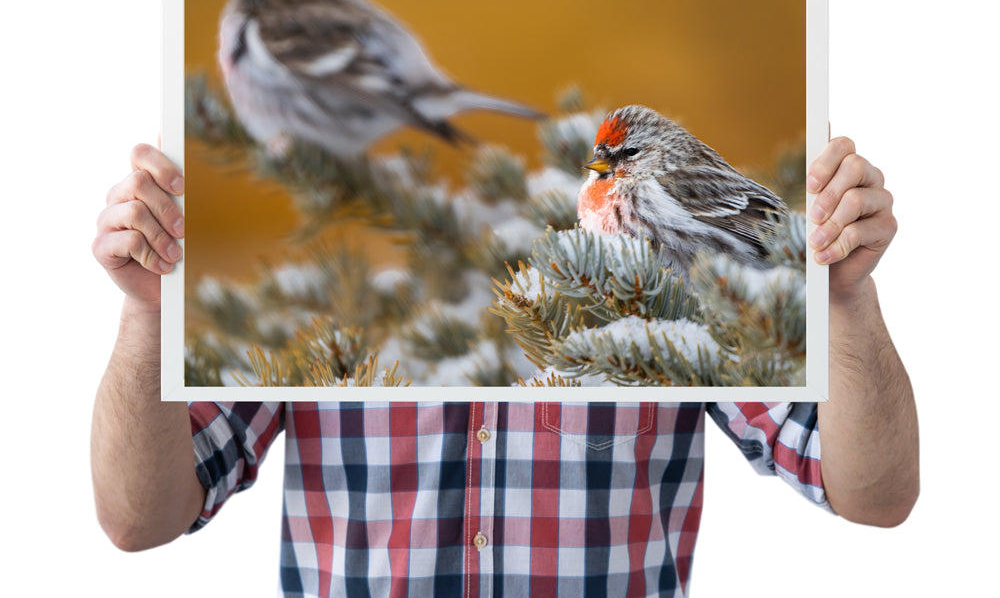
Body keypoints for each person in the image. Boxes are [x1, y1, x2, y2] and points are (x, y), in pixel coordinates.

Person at [91, 137, 918, 597]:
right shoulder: (336, 298)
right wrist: (148, 310)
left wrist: (842, 297)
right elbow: (140, 517)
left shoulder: (657, 293)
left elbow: (873, 494)